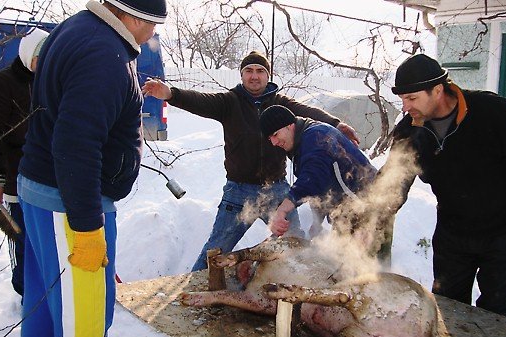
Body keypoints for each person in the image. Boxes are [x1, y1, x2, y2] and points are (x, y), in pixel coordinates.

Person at [16, 1, 166, 336]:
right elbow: (76, 144)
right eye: (152, 24)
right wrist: (85, 229)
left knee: (46, 305)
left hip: (44, 191)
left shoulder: (79, 27)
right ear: (132, 17)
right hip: (67, 207)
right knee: (82, 319)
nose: (152, 34)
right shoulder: (105, 54)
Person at [142, 51, 361, 271]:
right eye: (249, 71)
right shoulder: (229, 102)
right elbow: (200, 101)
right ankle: (193, 291)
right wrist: (170, 94)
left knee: (294, 245)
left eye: (260, 71)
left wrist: (336, 124)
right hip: (238, 192)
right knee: (216, 249)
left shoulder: (280, 103)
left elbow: (308, 112)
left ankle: (294, 288)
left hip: (276, 190)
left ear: (268, 76)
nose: (254, 76)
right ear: (242, 75)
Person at [385, 53, 506, 319]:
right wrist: (371, 220)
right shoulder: (411, 130)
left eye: (412, 98)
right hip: (452, 235)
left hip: (504, 235)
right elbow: (393, 181)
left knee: (496, 317)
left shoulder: (493, 113)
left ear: (437, 90)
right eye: (403, 100)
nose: (406, 107)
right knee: (448, 311)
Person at [0, 27, 49, 298]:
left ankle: (43, 292)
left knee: (43, 243)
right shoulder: (4, 82)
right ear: (28, 54)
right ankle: (25, 294)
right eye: (40, 57)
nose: (44, 64)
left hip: (45, 182)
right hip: (15, 180)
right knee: (23, 243)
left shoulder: (47, 82)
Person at [260, 105, 377, 239]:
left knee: (368, 258)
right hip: (347, 212)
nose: (274, 143)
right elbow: (321, 186)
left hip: (367, 207)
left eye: (275, 134)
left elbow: (312, 178)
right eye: (270, 139)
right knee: (342, 256)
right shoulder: (300, 142)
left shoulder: (316, 136)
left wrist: (282, 209)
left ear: (290, 125)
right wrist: (317, 222)